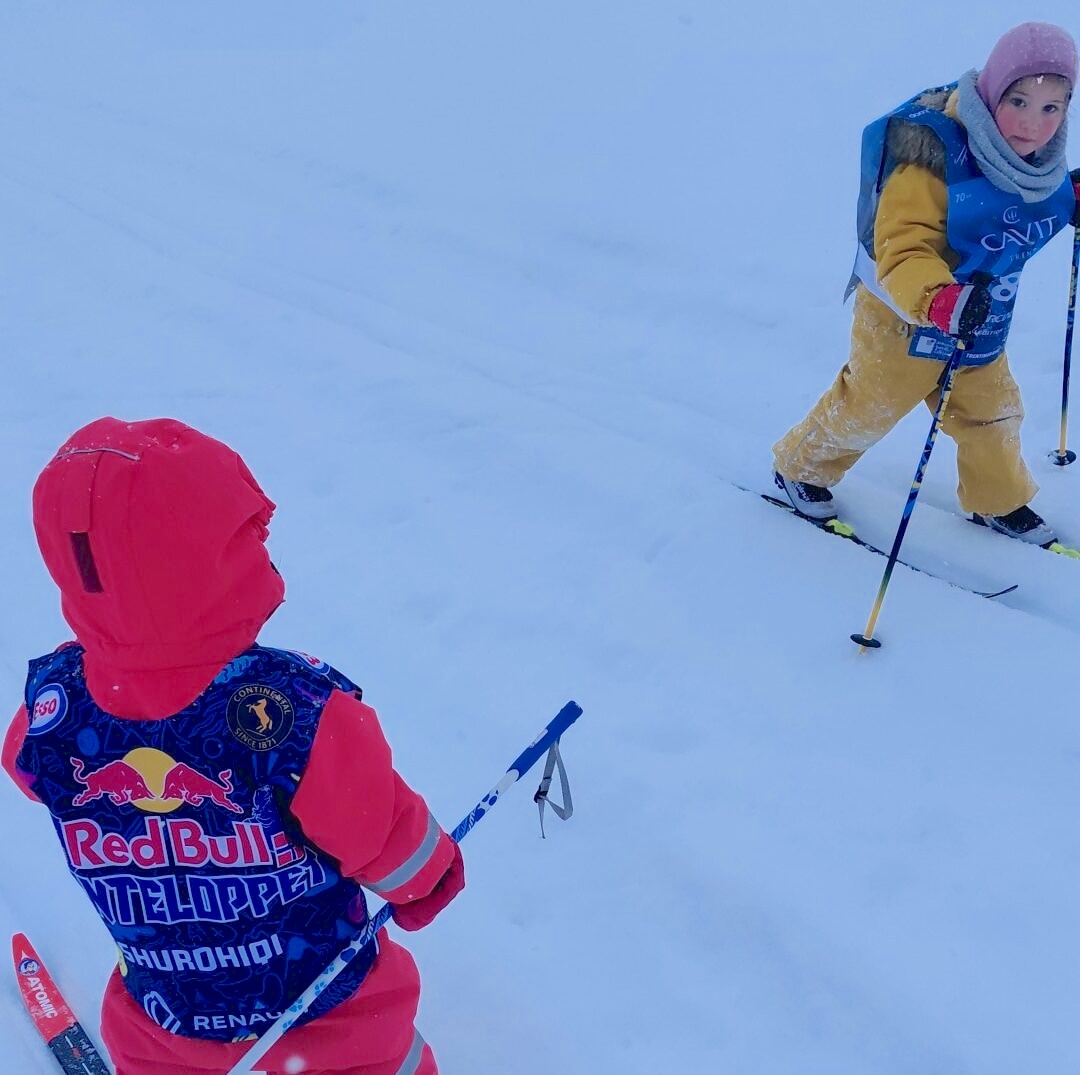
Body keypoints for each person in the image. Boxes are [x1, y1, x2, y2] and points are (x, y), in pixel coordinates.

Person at [2, 417, 464, 1075]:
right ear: (217, 559)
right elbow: (381, 831)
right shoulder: (296, 711)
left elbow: (24, 763)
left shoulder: (56, 711)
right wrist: (427, 877)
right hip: (332, 1025)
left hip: (166, 1032)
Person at [773, 22, 1080, 545]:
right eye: (1019, 101)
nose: (1033, 124)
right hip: (903, 315)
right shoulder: (932, 159)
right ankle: (800, 467)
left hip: (980, 316)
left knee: (992, 413)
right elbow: (903, 247)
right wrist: (939, 301)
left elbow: (1021, 210)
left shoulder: (1033, 164)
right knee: (870, 406)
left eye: (1052, 107)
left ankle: (997, 500)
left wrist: (1068, 197)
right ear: (992, 93)